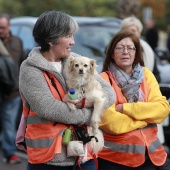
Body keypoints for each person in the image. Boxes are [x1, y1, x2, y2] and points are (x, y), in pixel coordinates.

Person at [19, 10, 115, 170]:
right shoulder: (30, 69)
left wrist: (87, 102)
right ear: (51, 39)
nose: (73, 42)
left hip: (84, 154)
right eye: (68, 36)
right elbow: (49, 109)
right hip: (50, 159)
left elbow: (109, 93)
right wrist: (91, 115)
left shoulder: (75, 60)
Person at [98, 30, 170, 169]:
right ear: (112, 53)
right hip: (117, 160)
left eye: (130, 48)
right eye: (119, 48)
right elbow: (111, 123)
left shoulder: (146, 74)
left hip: (154, 156)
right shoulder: (102, 80)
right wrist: (147, 116)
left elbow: (163, 109)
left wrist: (126, 108)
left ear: (136, 53)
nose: (126, 52)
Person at [0, 13, 24, 164]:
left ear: (9, 26)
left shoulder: (17, 41)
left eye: (2, 27)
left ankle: (9, 153)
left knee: (9, 124)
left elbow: (22, 63)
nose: (0, 30)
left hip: (12, 92)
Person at [120, 16, 160, 83]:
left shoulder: (147, 50)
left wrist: (145, 82)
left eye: (133, 31)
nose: (130, 34)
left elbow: (156, 76)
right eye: (127, 31)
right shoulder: (114, 48)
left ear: (139, 32)